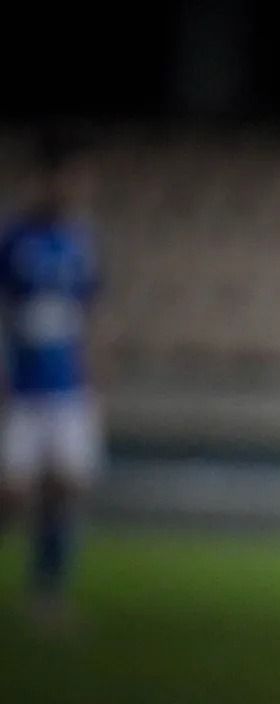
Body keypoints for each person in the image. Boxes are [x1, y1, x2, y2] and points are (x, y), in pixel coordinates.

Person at [0, 127, 104, 633]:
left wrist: (95, 373)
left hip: (68, 389)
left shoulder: (81, 242)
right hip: (18, 387)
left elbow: (91, 310)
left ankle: (48, 594)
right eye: (69, 178)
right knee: (12, 494)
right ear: (44, 180)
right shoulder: (13, 238)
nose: (77, 188)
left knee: (67, 487)